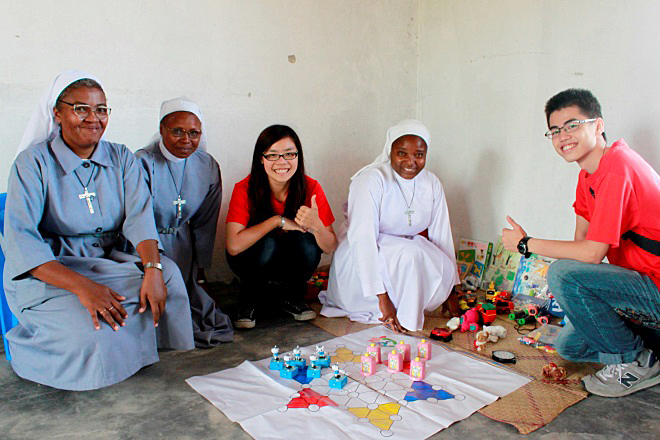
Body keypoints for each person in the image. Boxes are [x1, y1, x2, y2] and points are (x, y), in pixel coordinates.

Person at [2, 71, 194, 391]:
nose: (94, 118)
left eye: (101, 109)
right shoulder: (31, 163)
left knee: (169, 276)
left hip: (107, 261)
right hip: (53, 268)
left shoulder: (120, 157)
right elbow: (21, 238)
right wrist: (83, 287)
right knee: (88, 328)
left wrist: (153, 267)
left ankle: (139, 350)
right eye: (81, 108)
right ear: (57, 113)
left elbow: (139, 216)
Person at [502, 88, 660, 397]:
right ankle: (640, 345)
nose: (563, 136)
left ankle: (638, 361)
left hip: (654, 287)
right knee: (568, 346)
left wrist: (526, 243)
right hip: (639, 287)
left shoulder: (619, 166)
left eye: (573, 125)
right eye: (555, 130)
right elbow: (583, 251)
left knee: (561, 273)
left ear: (598, 125)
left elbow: (588, 255)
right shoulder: (587, 177)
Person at [319, 119, 459, 332]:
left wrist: (450, 290)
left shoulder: (431, 183)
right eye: (402, 153)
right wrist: (382, 301)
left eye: (419, 155)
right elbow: (362, 239)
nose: (410, 162)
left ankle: (408, 308)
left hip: (405, 251)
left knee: (420, 252)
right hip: (363, 258)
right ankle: (392, 308)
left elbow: (442, 236)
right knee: (411, 254)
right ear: (390, 151)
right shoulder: (370, 179)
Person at [136, 97, 233, 347]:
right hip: (146, 246)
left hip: (183, 243)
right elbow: (138, 218)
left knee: (195, 306)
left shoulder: (207, 165)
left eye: (194, 132)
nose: (186, 139)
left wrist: (201, 268)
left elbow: (206, 220)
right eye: (177, 131)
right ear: (161, 130)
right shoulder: (142, 162)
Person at [225, 124, 337, 328]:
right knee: (268, 242)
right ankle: (249, 298)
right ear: (261, 159)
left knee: (308, 243)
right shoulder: (245, 188)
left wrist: (317, 226)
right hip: (251, 260)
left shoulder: (310, 187)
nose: (282, 162)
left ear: (298, 157)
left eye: (289, 154)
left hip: (288, 261)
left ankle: (291, 297)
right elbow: (233, 246)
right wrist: (278, 221)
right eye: (273, 155)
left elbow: (330, 246)